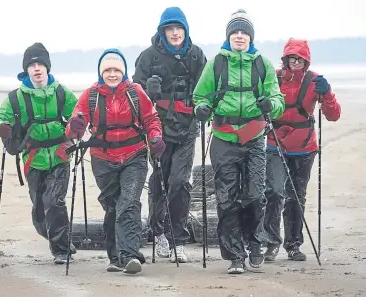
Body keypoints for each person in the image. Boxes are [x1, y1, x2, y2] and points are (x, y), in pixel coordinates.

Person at [193, 9, 285, 274]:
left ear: (251, 37)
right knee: (226, 199)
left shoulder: (263, 64)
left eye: (244, 32)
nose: (240, 36)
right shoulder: (217, 63)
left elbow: (277, 100)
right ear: (228, 36)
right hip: (223, 138)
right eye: (235, 32)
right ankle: (235, 256)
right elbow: (201, 96)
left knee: (256, 195)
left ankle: (255, 245)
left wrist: (272, 105)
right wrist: (201, 108)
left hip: (255, 137)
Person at [65, 49, 164, 274]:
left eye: (116, 70)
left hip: (134, 156)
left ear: (124, 72)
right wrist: (76, 126)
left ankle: (129, 256)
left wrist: (156, 137)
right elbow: (73, 127)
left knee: (128, 203)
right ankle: (116, 256)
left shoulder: (135, 91)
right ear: (101, 73)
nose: (112, 74)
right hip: (102, 159)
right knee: (112, 207)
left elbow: (151, 118)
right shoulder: (90, 95)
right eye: (107, 70)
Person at [0, 42, 79, 264]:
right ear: (26, 70)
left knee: (54, 201)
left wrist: (78, 124)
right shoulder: (16, 98)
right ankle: (61, 240)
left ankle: (61, 251)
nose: (37, 68)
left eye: (40, 64)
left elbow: (79, 113)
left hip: (60, 155)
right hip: (33, 160)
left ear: (47, 68)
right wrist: (0, 127)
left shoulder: (62, 92)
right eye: (32, 65)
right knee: (39, 213)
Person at [132, 6, 207, 263]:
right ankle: (158, 231)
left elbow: (207, 89)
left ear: (185, 30)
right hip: (157, 128)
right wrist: (147, 90)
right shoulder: (148, 57)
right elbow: (134, 93)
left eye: (179, 28)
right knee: (160, 181)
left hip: (187, 128)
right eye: (170, 29)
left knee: (181, 182)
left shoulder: (197, 55)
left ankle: (179, 240)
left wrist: (205, 107)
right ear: (162, 32)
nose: (175, 33)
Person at [263, 38, 341, 262]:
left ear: (306, 61)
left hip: (304, 147)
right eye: (291, 58)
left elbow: (333, 115)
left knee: (296, 197)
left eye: (300, 58)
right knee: (274, 192)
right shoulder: (273, 78)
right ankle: (271, 243)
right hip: (274, 143)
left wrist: (326, 94)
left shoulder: (315, 80)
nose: (295, 62)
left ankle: (293, 245)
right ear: (285, 59)